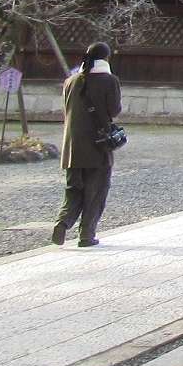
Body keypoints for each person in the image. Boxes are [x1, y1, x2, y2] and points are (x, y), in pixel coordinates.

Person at [53, 41, 123, 248]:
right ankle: (86, 234)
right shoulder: (109, 80)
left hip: (72, 146)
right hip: (98, 145)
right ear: (106, 58)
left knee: (73, 188)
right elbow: (114, 110)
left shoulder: (71, 81)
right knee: (96, 190)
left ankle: (63, 222)